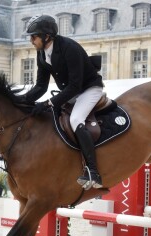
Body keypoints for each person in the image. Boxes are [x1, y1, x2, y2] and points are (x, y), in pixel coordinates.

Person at [20, 14, 104, 190]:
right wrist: (20, 101)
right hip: (72, 92)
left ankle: (93, 172)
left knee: (75, 120)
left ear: (47, 36)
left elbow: (75, 85)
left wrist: (49, 103)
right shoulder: (42, 54)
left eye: (34, 36)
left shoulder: (69, 48)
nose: (31, 40)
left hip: (89, 89)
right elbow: (41, 86)